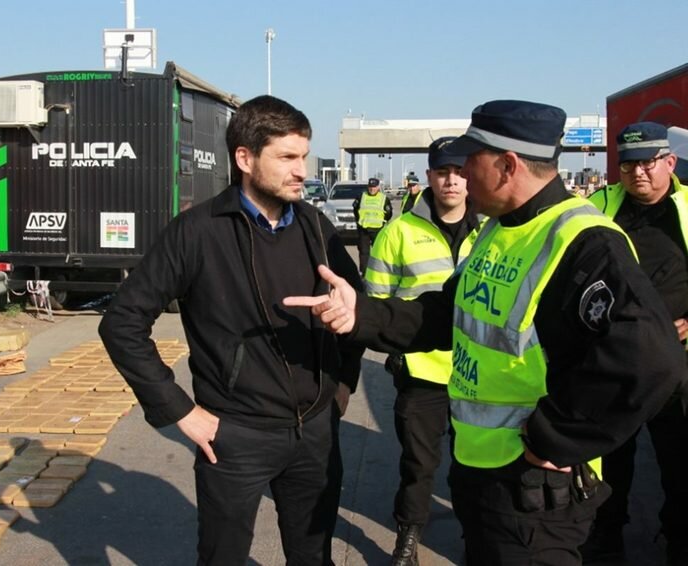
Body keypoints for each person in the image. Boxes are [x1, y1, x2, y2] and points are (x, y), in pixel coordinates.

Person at [284, 99, 687, 566]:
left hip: (534, 491)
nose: (460, 177)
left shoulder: (584, 240)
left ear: (507, 165)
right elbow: (446, 314)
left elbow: (653, 359)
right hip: (482, 472)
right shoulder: (499, 229)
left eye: (470, 162)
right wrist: (363, 316)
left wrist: (555, 437)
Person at [99, 94, 364, 566]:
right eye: (287, 157)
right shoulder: (197, 231)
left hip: (316, 433)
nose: (302, 169)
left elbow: (355, 308)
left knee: (313, 557)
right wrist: (181, 410)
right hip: (235, 436)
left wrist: (342, 386)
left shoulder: (315, 226)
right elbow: (122, 323)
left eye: (303, 155)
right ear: (245, 158)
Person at [365, 136, 480, 566]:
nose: (451, 180)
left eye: (459, 171)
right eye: (442, 172)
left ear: (469, 176)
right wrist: (393, 353)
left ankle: (477, 537)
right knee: (419, 464)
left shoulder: (493, 231)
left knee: (476, 467)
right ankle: (408, 538)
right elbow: (375, 302)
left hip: (479, 374)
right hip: (422, 373)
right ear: (429, 176)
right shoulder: (398, 232)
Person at [583, 121, 688, 565]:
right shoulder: (597, 207)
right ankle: (606, 543)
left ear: (669, 162)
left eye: (646, 162)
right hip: (614, 361)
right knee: (609, 465)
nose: (636, 173)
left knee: (680, 463)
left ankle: (679, 539)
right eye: (627, 165)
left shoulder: (686, 209)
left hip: (675, 365)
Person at [353, 177, 393, 274]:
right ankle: (364, 273)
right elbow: (355, 210)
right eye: (370, 187)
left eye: (374, 187)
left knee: (379, 252)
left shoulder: (384, 198)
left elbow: (389, 213)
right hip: (364, 229)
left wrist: (382, 222)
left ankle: (378, 272)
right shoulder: (361, 196)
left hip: (377, 230)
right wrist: (359, 221)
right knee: (364, 253)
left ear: (378, 187)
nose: (372, 189)